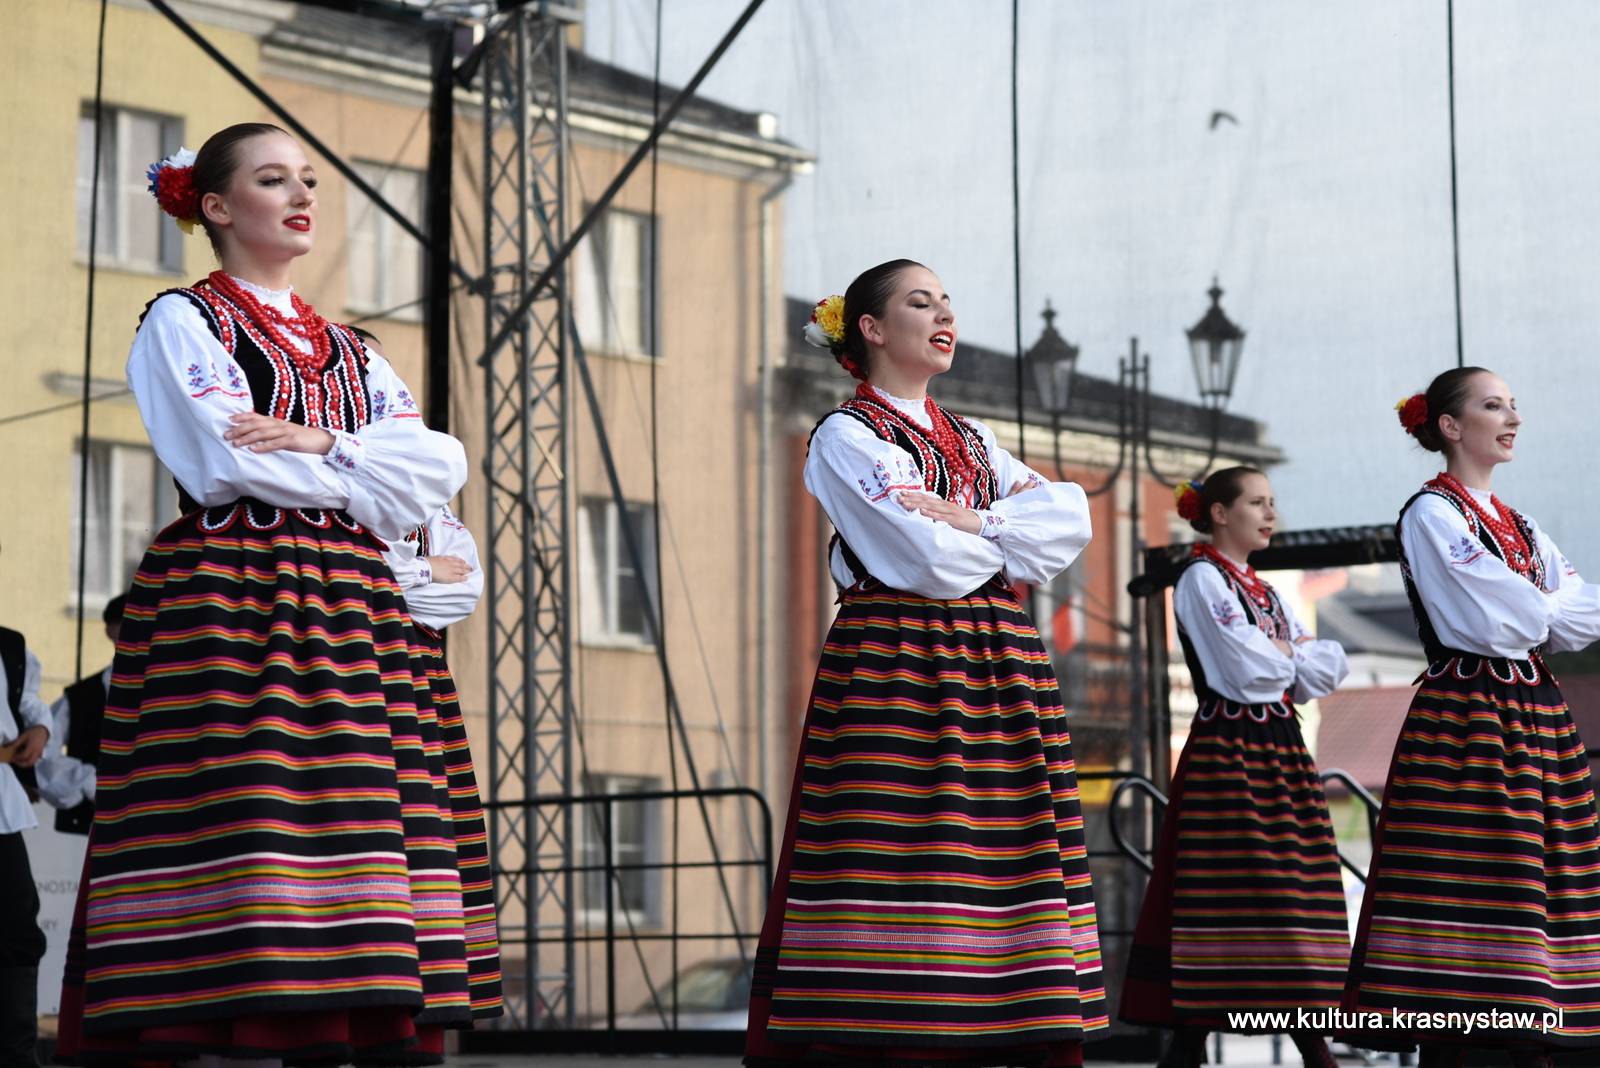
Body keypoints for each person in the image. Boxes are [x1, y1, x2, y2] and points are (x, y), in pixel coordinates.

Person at [55, 123, 487, 1065]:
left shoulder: (355, 350)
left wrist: (322, 443)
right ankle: (232, 1004)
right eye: (272, 179)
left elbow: (435, 472)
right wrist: (364, 477)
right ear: (215, 206)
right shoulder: (184, 320)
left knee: (360, 818)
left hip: (355, 610)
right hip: (239, 599)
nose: (301, 196)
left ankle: (349, 1007)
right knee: (252, 807)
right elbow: (224, 462)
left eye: (309, 179)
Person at [744, 260, 1104, 1068]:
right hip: (900, 666)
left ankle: (1007, 1023)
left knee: (1005, 851)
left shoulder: (975, 439)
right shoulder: (846, 435)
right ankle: (902, 1032)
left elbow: (1068, 522)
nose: (944, 314)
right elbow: (925, 559)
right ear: (871, 329)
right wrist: (997, 532)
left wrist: (973, 520)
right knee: (909, 844)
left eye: (947, 301)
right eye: (920, 302)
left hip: (1000, 665)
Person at [1342, 368, 1600, 1068]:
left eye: (1513, 405)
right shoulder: (1432, 513)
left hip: (1534, 716)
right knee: (1478, 879)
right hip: (1468, 719)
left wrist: (1536, 605)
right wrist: (1538, 605)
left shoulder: (1522, 524)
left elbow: (1572, 618)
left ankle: (1538, 1030)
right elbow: (1508, 616)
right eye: (1493, 406)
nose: (1512, 418)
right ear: (1451, 427)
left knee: (1544, 873)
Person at [1119, 468, 1350, 1068]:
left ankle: (1207, 1043)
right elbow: (1247, 669)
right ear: (1219, 513)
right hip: (1229, 750)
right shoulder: (1201, 577)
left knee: (1291, 885)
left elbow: (1326, 667)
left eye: (1272, 502)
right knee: (1237, 887)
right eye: (1256, 502)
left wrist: (1281, 654)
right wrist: (1290, 656)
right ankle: (1287, 1044)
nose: (1270, 513)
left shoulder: (1265, 590)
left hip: (1281, 747)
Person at [352, 326, 500, 1019]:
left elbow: (463, 589)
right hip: (344, 664)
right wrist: (414, 572)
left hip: (413, 679)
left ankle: (406, 1003)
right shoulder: (309, 478)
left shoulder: (422, 493)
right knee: (354, 826)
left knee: (417, 836)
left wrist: (387, 575)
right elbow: (329, 570)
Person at [0, 590, 52, 1068]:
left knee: (18, 926)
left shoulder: (9, 644)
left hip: (1, 802)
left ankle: (16, 1055)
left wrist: (39, 729)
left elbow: (28, 701)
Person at [37, 593, 127, 835]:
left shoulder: (175, 689)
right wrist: (90, 784)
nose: (136, 630)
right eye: (125, 622)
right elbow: (42, 749)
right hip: (97, 826)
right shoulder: (82, 696)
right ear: (109, 631)